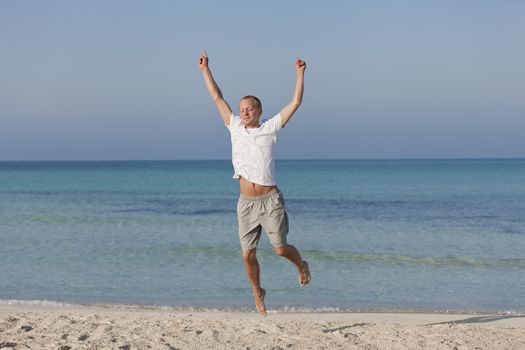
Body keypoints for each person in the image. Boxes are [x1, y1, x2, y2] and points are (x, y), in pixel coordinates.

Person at [197, 50, 311, 316]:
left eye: (249, 108)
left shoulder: (270, 128)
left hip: (270, 200)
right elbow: (216, 97)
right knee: (247, 255)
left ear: (259, 111)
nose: (244, 112)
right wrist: (205, 69)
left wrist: (300, 74)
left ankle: (302, 266)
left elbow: (295, 103)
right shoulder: (234, 127)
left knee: (281, 249)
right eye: (241, 109)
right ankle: (257, 292)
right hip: (246, 202)